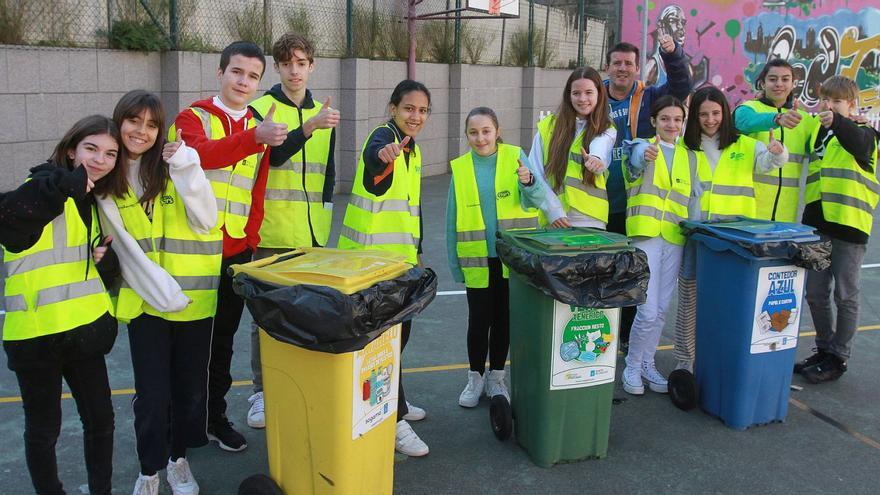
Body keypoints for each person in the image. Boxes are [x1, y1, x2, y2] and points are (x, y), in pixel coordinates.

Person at [96, 90, 220, 495]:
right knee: (152, 395)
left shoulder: (175, 167)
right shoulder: (106, 183)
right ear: (120, 122)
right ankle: (149, 470)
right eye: (134, 121)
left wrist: (187, 167)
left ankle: (177, 460)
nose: (142, 131)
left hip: (193, 302)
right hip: (147, 303)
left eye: (152, 124)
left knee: (186, 391)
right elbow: (125, 249)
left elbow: (206, 219)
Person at [2, 115, 125, 495]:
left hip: (83, 333)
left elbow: (84, 269)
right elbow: (10, 220)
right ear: (71, 150)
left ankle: (100, 490)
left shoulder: (92, 202)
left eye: (110, 153)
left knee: (101, 421)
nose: (99, 159)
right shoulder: (41, 186)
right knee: (44, 430)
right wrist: (62, 182)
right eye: (91, 148)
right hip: (37, 338)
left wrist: (104, 261)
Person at [172, 41, 284, 453]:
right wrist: (254, 136)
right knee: (188, 345)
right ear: (220, 73)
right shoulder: (192, 116)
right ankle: (181, 423)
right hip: (191, 253)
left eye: (253, 76)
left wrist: (251, 240)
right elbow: (200, 156)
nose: (243, 81)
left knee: (222, 344)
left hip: (236, 253)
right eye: (237, 72)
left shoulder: (258, 121)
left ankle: (214, 418)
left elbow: (257, 190)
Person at [246, 32, 340, 429]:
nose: (295, 70)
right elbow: (277, 157)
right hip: (271, 232)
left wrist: (325, 221)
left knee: (306, 313)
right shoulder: (260, 108)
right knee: (264, 316)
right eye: (287, 63)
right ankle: (260, 392)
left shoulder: (324, 111)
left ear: (312, 65)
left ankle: (298, 382)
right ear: (278, 67)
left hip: (312, 235)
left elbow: (329, 175)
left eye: (301, 63)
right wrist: (310, 127)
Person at [337, 79, 431, 457]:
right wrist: (384, 156)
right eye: (409, 108)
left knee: (394, 341)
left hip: (399, 263)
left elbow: (411, 208)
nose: (416, 116)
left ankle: (397, 402)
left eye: (423, 110)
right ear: (393, 108)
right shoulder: (383, 138)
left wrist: (417, 251)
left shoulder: (415, 151)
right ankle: (394, 420)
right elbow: (375, 167)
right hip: (371, 265)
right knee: (383, 344)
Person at [673, 86, 788, 372]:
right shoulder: (684, 147)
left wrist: (777, 153)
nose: (711, 120)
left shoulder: (745, 144)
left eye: (716, 113)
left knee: (730, 301)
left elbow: (767, 164)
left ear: (725, 112)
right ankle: (686, 361)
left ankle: (724, 357)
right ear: (694, 117)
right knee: (690, 300)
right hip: (697, 236)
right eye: (703, 115)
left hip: (735, 240)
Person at [446, 106, 546, 408]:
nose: (480, 138)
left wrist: (528, 181)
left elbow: (537, 198)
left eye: (486, 131)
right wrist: (455, 264)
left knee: (504, 320)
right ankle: (475, 377)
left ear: (497, 131)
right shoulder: (461, 168)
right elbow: (452, 219)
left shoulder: (516, 156)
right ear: (466, 135)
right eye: (473, 132)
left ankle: (496, 377)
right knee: (478, 321)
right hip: (477, 259)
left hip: (511, 258)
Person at [604, 39, 693, 347]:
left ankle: (626, 337)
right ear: (608, 66)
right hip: (597, 202)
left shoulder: (648, 95)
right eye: (617, 62)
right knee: (602, 273)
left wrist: (672, 54)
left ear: (637, 68)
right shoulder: (595, 96)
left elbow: (681, 86)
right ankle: (599, 334)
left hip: (633, 205)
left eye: (629, 63)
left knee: (630, 275)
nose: (623, 68)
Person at [796, 76, 880, 383]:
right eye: (825, 100)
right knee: (816, 293)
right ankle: (824, 348)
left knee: (846, 295)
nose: (828, 106)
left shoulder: (865, 133)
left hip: (850, 228)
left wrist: (840, 123)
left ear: (851, 105)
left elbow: (858, 145)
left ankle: (839, 357)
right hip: (818, 227)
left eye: (836, 101)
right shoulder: (821, 136)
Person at [621, 96, 697, 395]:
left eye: (677, 119)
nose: (671, 124)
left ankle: (647, 364)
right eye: (665, 119)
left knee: (662, 309)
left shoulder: (690, 157)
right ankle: (631, 365)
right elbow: (636, 161)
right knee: (648, 311)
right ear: (654, 121)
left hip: (674, 237)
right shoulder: (640, 146)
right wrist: (644, 155)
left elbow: (693, 199)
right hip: (646, 235)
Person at [528, 66, 616, 229]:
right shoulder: (547, 127)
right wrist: (552, 211)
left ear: (599, 94)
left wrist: (595, 159)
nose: (582, 99)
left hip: (591, 222)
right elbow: (535, 172)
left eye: (589, 92)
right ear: (569, 96)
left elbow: (600, 147)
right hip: (554, 220)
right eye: (576, 93)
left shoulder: (607, 128)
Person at [734, 58, 814, 222]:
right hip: (749, 209)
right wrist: (777, 119)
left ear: (793, 84)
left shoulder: (804, 120)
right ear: (762, 84)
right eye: (772, 79)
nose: (779, 84)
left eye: (785, 79)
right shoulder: (749, 108)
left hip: (786, 214)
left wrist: (852, 121)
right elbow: (741, 121)